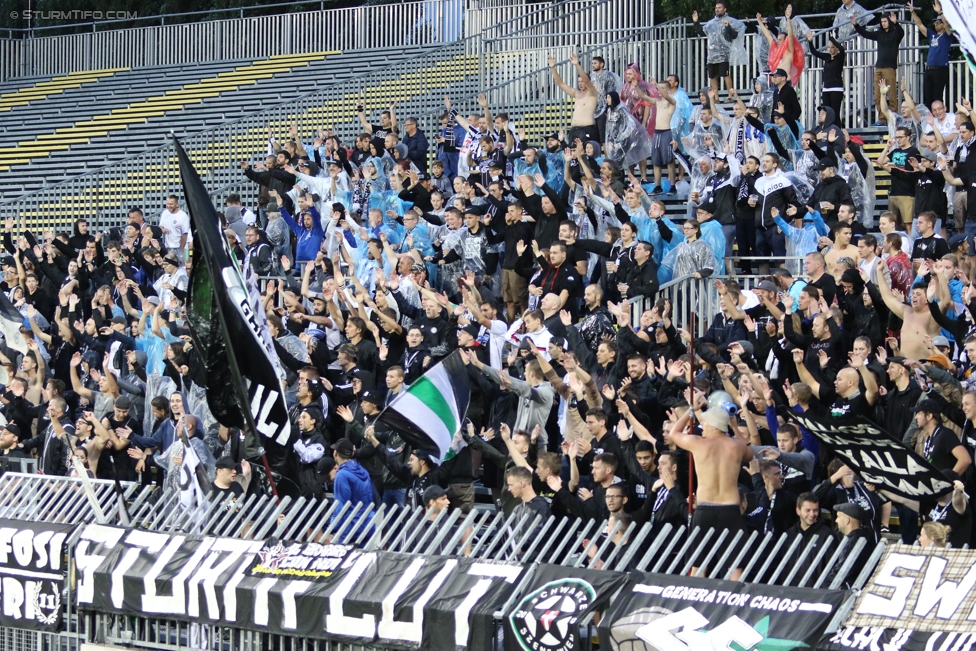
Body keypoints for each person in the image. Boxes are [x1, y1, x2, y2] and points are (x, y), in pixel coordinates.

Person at [668, 394, 754, 579]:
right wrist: (734, 428)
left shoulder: (698, 444)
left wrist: (691, 410)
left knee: (699, 565)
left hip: (705, 509)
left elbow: (674, 434)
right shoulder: (736, 446)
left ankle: (696, 602)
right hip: (730, 509)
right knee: (736, 566)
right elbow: (750, 452)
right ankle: (735, 603)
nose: (702, 426)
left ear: (713, 425)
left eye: (705, 423)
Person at [852, 11, 904, 126]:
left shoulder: (895, 33)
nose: (883, 23)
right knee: (878, 95)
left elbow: (901, 33)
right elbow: (865, 34)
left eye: (885, 21)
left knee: (891, 94)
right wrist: (856, 25)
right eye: (882, 22)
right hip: (878, 67)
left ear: (889, 21)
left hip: (889, 68)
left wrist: (896, 23)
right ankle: (882, 119)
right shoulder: (879, 33)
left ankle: (894, 118)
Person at [692, 1, 745, 99]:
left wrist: (728, 26)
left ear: (724, 9)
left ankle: (730, 96)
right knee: (712, 76)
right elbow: (702, 32)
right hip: (712, 53)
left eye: (720, 7)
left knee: (725, 74)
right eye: (716, 8)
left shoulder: (730, 21)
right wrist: (696, 22)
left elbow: (735, 35)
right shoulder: (711, 23)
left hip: (724, 53)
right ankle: (716, 98)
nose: (717, 9)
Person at [908, 1, 956, 107]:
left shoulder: (947, 35)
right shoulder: (932, 35)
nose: (936, 24)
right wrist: (913, 12)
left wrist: (940, 12)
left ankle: (939, 120)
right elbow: (920, 25)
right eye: (935, 23)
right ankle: (930, 120)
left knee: (937, 97)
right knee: (928, 97)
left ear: (943, 24)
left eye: (938, 22)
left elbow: (948, 26)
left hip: (940, 69)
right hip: (929, 69)